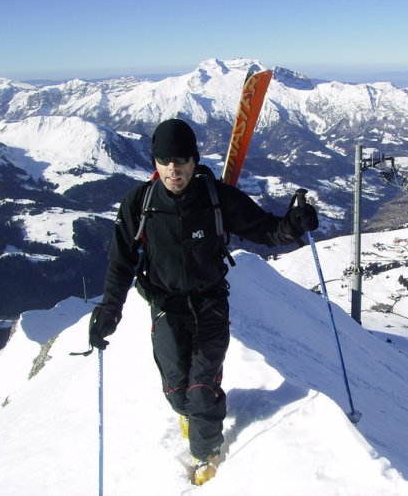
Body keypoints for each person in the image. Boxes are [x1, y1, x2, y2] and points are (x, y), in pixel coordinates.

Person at [88, 118, 318, 485]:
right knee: (178, 393)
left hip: (210, 302)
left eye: (181, 159)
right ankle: (199, 409)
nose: (173, 168)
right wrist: (109, 310)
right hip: (165, 306)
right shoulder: (139, 204)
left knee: (199, 390)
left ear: (195, 161)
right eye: (165, 160)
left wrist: (293, 224)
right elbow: (121, 262)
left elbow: (264, 229)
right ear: (155, 163)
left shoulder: (216, 198)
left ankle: (205, 453)